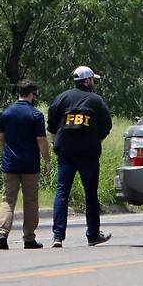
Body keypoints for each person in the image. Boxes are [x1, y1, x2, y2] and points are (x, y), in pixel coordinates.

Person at [47, 66, 113, 247]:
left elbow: (52, 125)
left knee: (62, 192)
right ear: (86, 81)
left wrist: (55, 143)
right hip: (88, 154)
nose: (93, 82)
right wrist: (95, 137)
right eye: (92, 79)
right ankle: (93, 235)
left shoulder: (61, 98)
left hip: (65, 153)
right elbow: (107, 125)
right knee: (90, 193)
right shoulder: (96, 100)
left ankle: (57, 236)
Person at [0, 80, 51, 250]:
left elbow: (1, 138)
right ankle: (29, 238)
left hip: (10, 164)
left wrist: (6, 153)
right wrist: (47, 160)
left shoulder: (5, 113)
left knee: (7, 199)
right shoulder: (35, 115)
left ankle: (3, 232)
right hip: (30, 164)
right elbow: (41, 140)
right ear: (32, 94)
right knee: (30, 201)